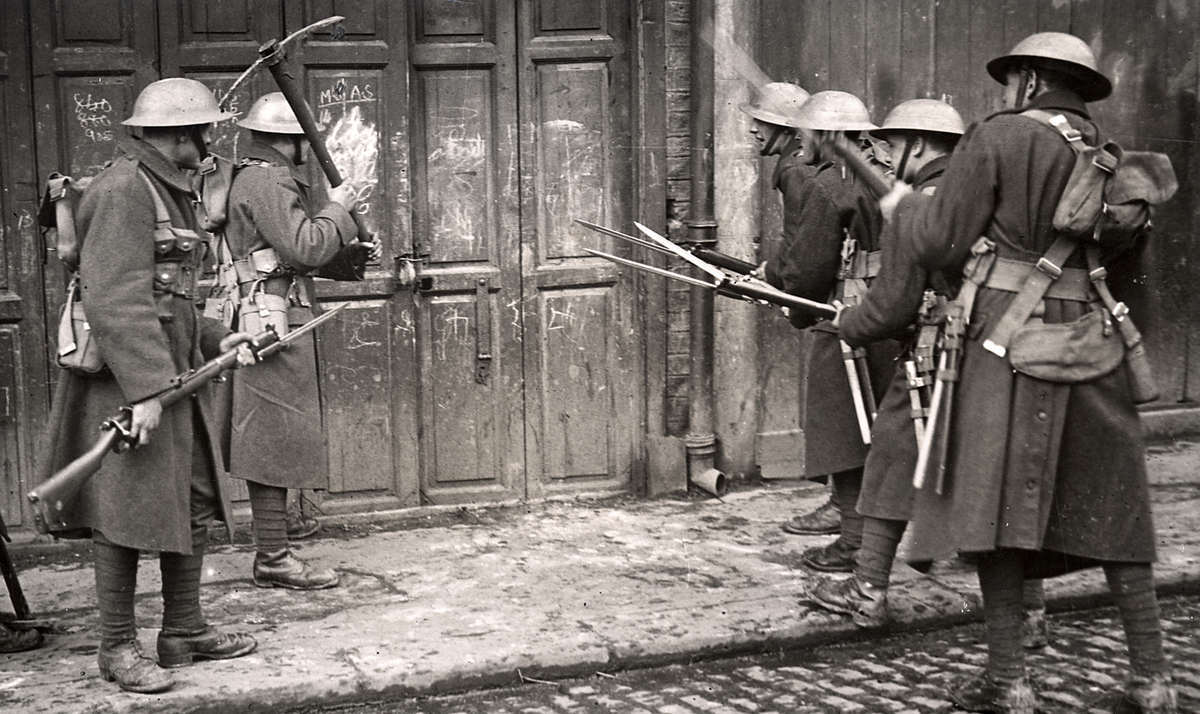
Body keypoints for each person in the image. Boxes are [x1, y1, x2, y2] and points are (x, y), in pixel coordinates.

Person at [878, 33, 1178, 712]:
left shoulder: (998, 137)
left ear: (1031, 80)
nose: (1006, 92)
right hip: (1089, 337)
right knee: (1116, 507)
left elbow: (940, 242)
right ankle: (1152, 680)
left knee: (992, 508)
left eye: (1011, 80)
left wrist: (907, 212)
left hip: (1004, 337)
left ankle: (1009, 683)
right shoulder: (1105, 153)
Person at [799, 98, 1051, 648]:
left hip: (938, 358)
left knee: (889, 465)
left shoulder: (920, 209)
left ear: (916, 146)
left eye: (893, 146)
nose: (889, 158)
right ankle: (1029, 613)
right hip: (1006, 355)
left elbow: (892, 306)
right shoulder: (986, 199)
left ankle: (868, 590)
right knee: (1000, 482)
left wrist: (848, 324)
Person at [35, 77, 258, 693]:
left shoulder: (166, 187)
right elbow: (114, 299)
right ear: (179, 134)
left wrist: (217, 339)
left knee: (190, 497)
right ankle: (116, 647)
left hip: (170, 374)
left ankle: (184, 630)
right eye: (204, 130)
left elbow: (171, 297)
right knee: (123, 511)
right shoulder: (123, 189)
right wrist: (147, 395)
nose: (210, 140)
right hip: (128, 383)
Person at [212, 92, 377, 590]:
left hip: (271, 314)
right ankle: (273, 557)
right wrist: (339, 210)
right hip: (270, 321)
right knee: (272, 437)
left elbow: (285, 254)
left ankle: (275, 543)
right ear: (292, 141)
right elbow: (304, 248)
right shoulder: (267, 179)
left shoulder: (260, 176)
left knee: (275, 435)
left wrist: (350, 253)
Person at [761, 90, 899, 573]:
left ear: (826, 135)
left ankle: (854, 545)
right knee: (887, 431)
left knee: (844, 432)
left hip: (845, 317)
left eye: (805, 132)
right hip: (895, 313)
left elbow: (808, 267)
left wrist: (795, 307)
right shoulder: (889, 173)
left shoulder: (826, 185)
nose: (799, 140)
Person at [738, 82, 840, 537]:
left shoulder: (796, 169)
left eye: (760, 122)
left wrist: (784, 286)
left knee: (839, 408)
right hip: (838, 294)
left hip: (836, 300)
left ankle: (843, 507)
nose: (753, 130)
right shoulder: (803, 163)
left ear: (784, 127)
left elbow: (803, 244)